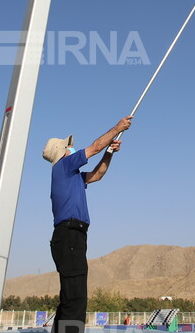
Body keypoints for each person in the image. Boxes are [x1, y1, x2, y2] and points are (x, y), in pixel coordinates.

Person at [43, 116, 132, 333]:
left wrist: (109, 153)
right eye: (69, 146)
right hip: (70, 234)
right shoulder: (63, 165)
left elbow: (98, 174)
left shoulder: (72, 176)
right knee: (76, 299)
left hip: (71, 236)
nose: (72, 148)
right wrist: (117, 128)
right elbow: (94, 147)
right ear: (62, 152)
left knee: (69, 297)